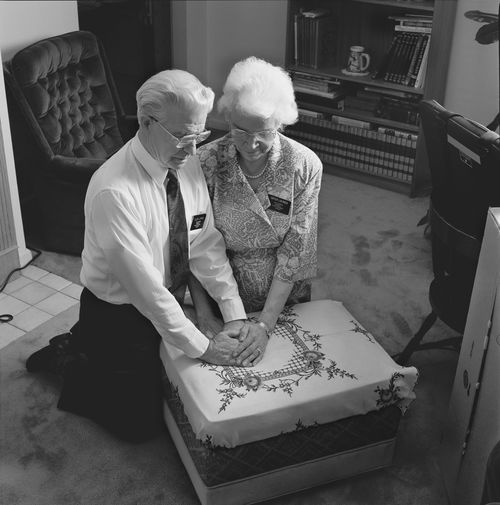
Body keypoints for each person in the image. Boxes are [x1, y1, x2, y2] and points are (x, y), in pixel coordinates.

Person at [26, 69, 251, 443]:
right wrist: (205, 347)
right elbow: (146, 292)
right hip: (119, 312)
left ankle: (86, 345)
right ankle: (69, 357)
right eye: (182, 136)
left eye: (199, 136)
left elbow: (204, 242)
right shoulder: (114, 192)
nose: (193, 149)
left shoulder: (184, 159)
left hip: (168, 295)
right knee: (138, 426)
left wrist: (234, 313)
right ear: (146, 122)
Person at [192, 57, 323, 368]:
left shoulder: (304, 166)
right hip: (220, 292)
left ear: (279, 123)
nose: (251, 144)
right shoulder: (204, 162)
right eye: (240, 131)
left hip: (282, 298)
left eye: (263, 132)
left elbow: (295, 251)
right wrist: (204, 313)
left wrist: (265, 324)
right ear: (227, 119)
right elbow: (193, 243)